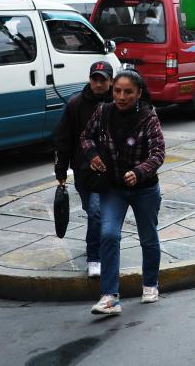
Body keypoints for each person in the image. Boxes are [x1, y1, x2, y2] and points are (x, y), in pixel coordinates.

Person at [80, 70, 165, 315]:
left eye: (128, 92)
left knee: (148, 237)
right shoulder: (103, 111)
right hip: (113, 188)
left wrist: (139, 172)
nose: (121, 96)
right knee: (108, 234)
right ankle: (109, 296)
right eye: (117, 91)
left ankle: (150, 284)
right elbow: (85, 137)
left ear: (138, 93)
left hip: (144, 189)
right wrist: (93, 155)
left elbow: (158, 153)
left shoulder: (149, 117)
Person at [52, 61, 113, 278]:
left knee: (103, 214)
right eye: (94, 79)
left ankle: (99, 248)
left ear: (110, 81)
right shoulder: (75, 105)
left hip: (113, 170)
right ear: (89, 79)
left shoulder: (119, 101)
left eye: (102, 80)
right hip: (85, 171)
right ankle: (94, 257)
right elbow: (63, 139)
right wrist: (61, 173)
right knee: (95, 211)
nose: (98, 84)